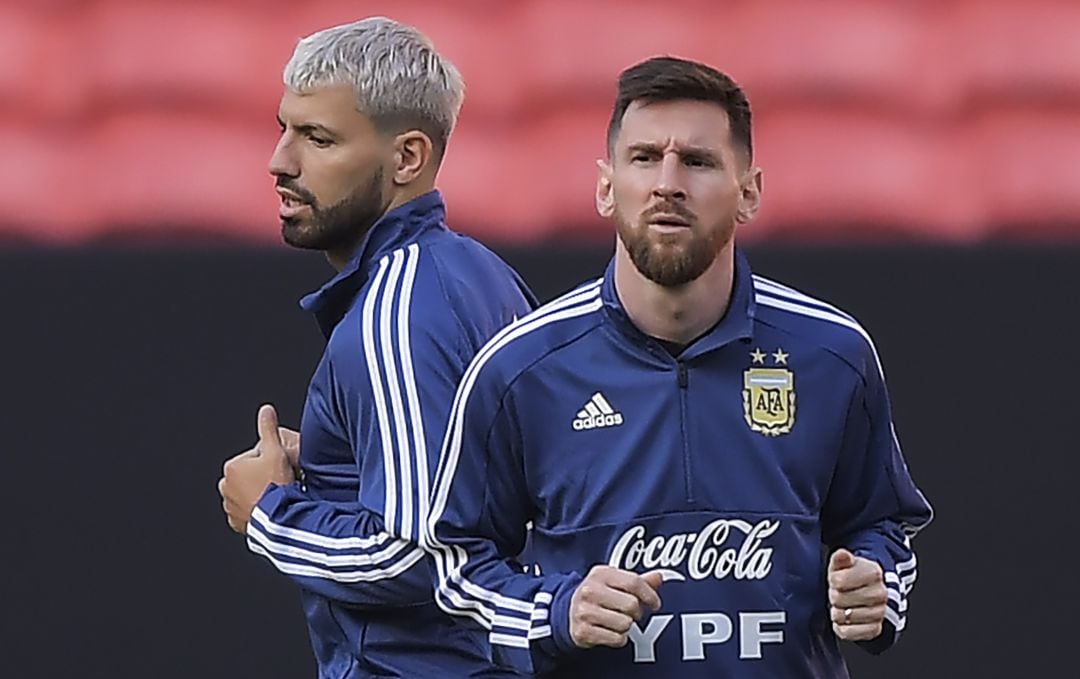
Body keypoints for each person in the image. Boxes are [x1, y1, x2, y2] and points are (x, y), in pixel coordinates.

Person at [425, 56, 933, 677]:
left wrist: (874, 587)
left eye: (697, 161)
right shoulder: (519, 369)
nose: (668, 182)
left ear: (749, 193)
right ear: (606, 187)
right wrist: (556, 611)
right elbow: (455, 568)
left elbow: (882, 525)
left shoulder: (832, 354)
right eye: (643, 158)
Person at [216, 17, 535, 678]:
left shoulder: (398, 309)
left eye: (318, 138)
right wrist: (341, 463)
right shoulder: (482, 275)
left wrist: (271, 513)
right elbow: (475, 489)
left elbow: (422, 552)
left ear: (408, 158)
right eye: (284, 127)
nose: (281, 160)